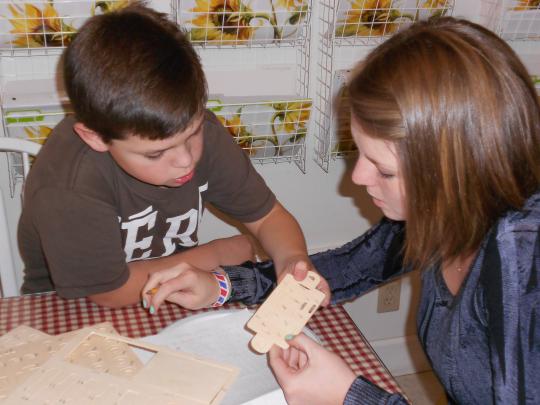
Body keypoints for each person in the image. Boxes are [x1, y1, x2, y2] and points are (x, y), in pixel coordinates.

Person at [143, 16, 540, 404]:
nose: (358, 178)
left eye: (383, 169)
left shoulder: (523, 268)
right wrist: (221, 285)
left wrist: (350, 395)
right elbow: (344, 270)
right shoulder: (446, 212)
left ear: (456, 171)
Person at [17, 3, 330, 309]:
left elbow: (268, 217)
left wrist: (293, 258)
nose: (185, 159)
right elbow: (110, 291)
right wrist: (218, 254)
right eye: (156, 154)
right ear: (96, 137)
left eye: (193, 133)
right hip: (70, 312)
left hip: (171, 293)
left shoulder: (191, 130)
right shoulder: (69, 185)